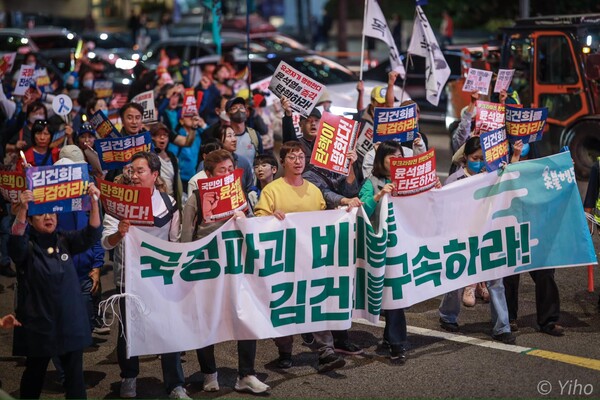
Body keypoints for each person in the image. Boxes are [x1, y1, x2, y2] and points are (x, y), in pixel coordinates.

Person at [180, 149, 270, 394]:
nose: (229, 174)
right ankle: (209, 373)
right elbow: (186, 236)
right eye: (222, 171)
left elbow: (253, 227)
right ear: (208, 174)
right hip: (207, 268)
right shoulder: (196, 197)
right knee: (205, 320)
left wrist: (244, 217)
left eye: (231, 170)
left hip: (236, 267)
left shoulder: (238, 193)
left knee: (246, 317)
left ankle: (246, 374)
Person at [101, 152, 189, 399]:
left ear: (154, 175)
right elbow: (105, 243)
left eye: (141, 171)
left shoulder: (169, 203)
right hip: (129, 279)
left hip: (160, 277)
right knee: (128, 331)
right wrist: (119, 233)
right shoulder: (118, 202)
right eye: (133, 170)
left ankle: (175, 384)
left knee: (169, 329)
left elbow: (174, 241)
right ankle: (129, 377)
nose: (135, 175)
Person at [254, 141, 346, 373]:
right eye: (292, 157)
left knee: (316, 302)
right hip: (283, 261)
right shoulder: (272, 190)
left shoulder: (314, 191)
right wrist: (271, 216)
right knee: (283, 305)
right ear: (282, 162)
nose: (298, 161)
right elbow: (258, 220)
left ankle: (327, 351)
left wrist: (336, 216)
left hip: (311, 260)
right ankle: (284, 352)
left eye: (302, 157)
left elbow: (323, 219)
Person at [9, 182, 102, 399]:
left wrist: (95, 202)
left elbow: (93, 233)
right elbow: (15, 245)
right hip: (39, 324)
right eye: (40, 214)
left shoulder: (64, 240)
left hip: (69, 322)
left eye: (51, 212)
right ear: (31, 220)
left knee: (75, 380)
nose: (48, 217)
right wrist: (22, 209)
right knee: (34, 374)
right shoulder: (27, 246)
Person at [438, 137, 516, 344]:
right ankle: (447, 316)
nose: (479, 162)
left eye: (483, 158)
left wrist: (505, 173)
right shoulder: (454, 179)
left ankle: (502, 326)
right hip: (462, 236)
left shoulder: (493, 177)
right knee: (455, 279)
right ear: (465, 158)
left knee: (496, 281)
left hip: (489, 234)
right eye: (475, 158)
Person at [503, 140, 564, 336]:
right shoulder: (501, 158)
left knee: (546, 273)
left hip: (536, 230)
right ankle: (508, 318)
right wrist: (513, 158)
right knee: (510, 276)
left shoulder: (541, 165)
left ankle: (548, 320)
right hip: (511, 227)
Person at [358, 140, 408, 363]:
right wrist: (379, 196)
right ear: (382, 160)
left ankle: (396, 343)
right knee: (387, 294)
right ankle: (391, 338)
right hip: (380, 247)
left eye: (400, 157)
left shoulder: (408, 180)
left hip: (404, 244)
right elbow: (362, 211)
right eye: (392, 157)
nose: (396, 161)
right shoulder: (372, 182)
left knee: (396, 295)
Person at [226, 96, 263, 164]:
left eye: (241, 107)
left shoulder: (254, 134)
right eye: (234, 108)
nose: (239, 110)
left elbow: (261, 159)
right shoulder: (224, 136)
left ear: (246, 112)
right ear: (228, 114)